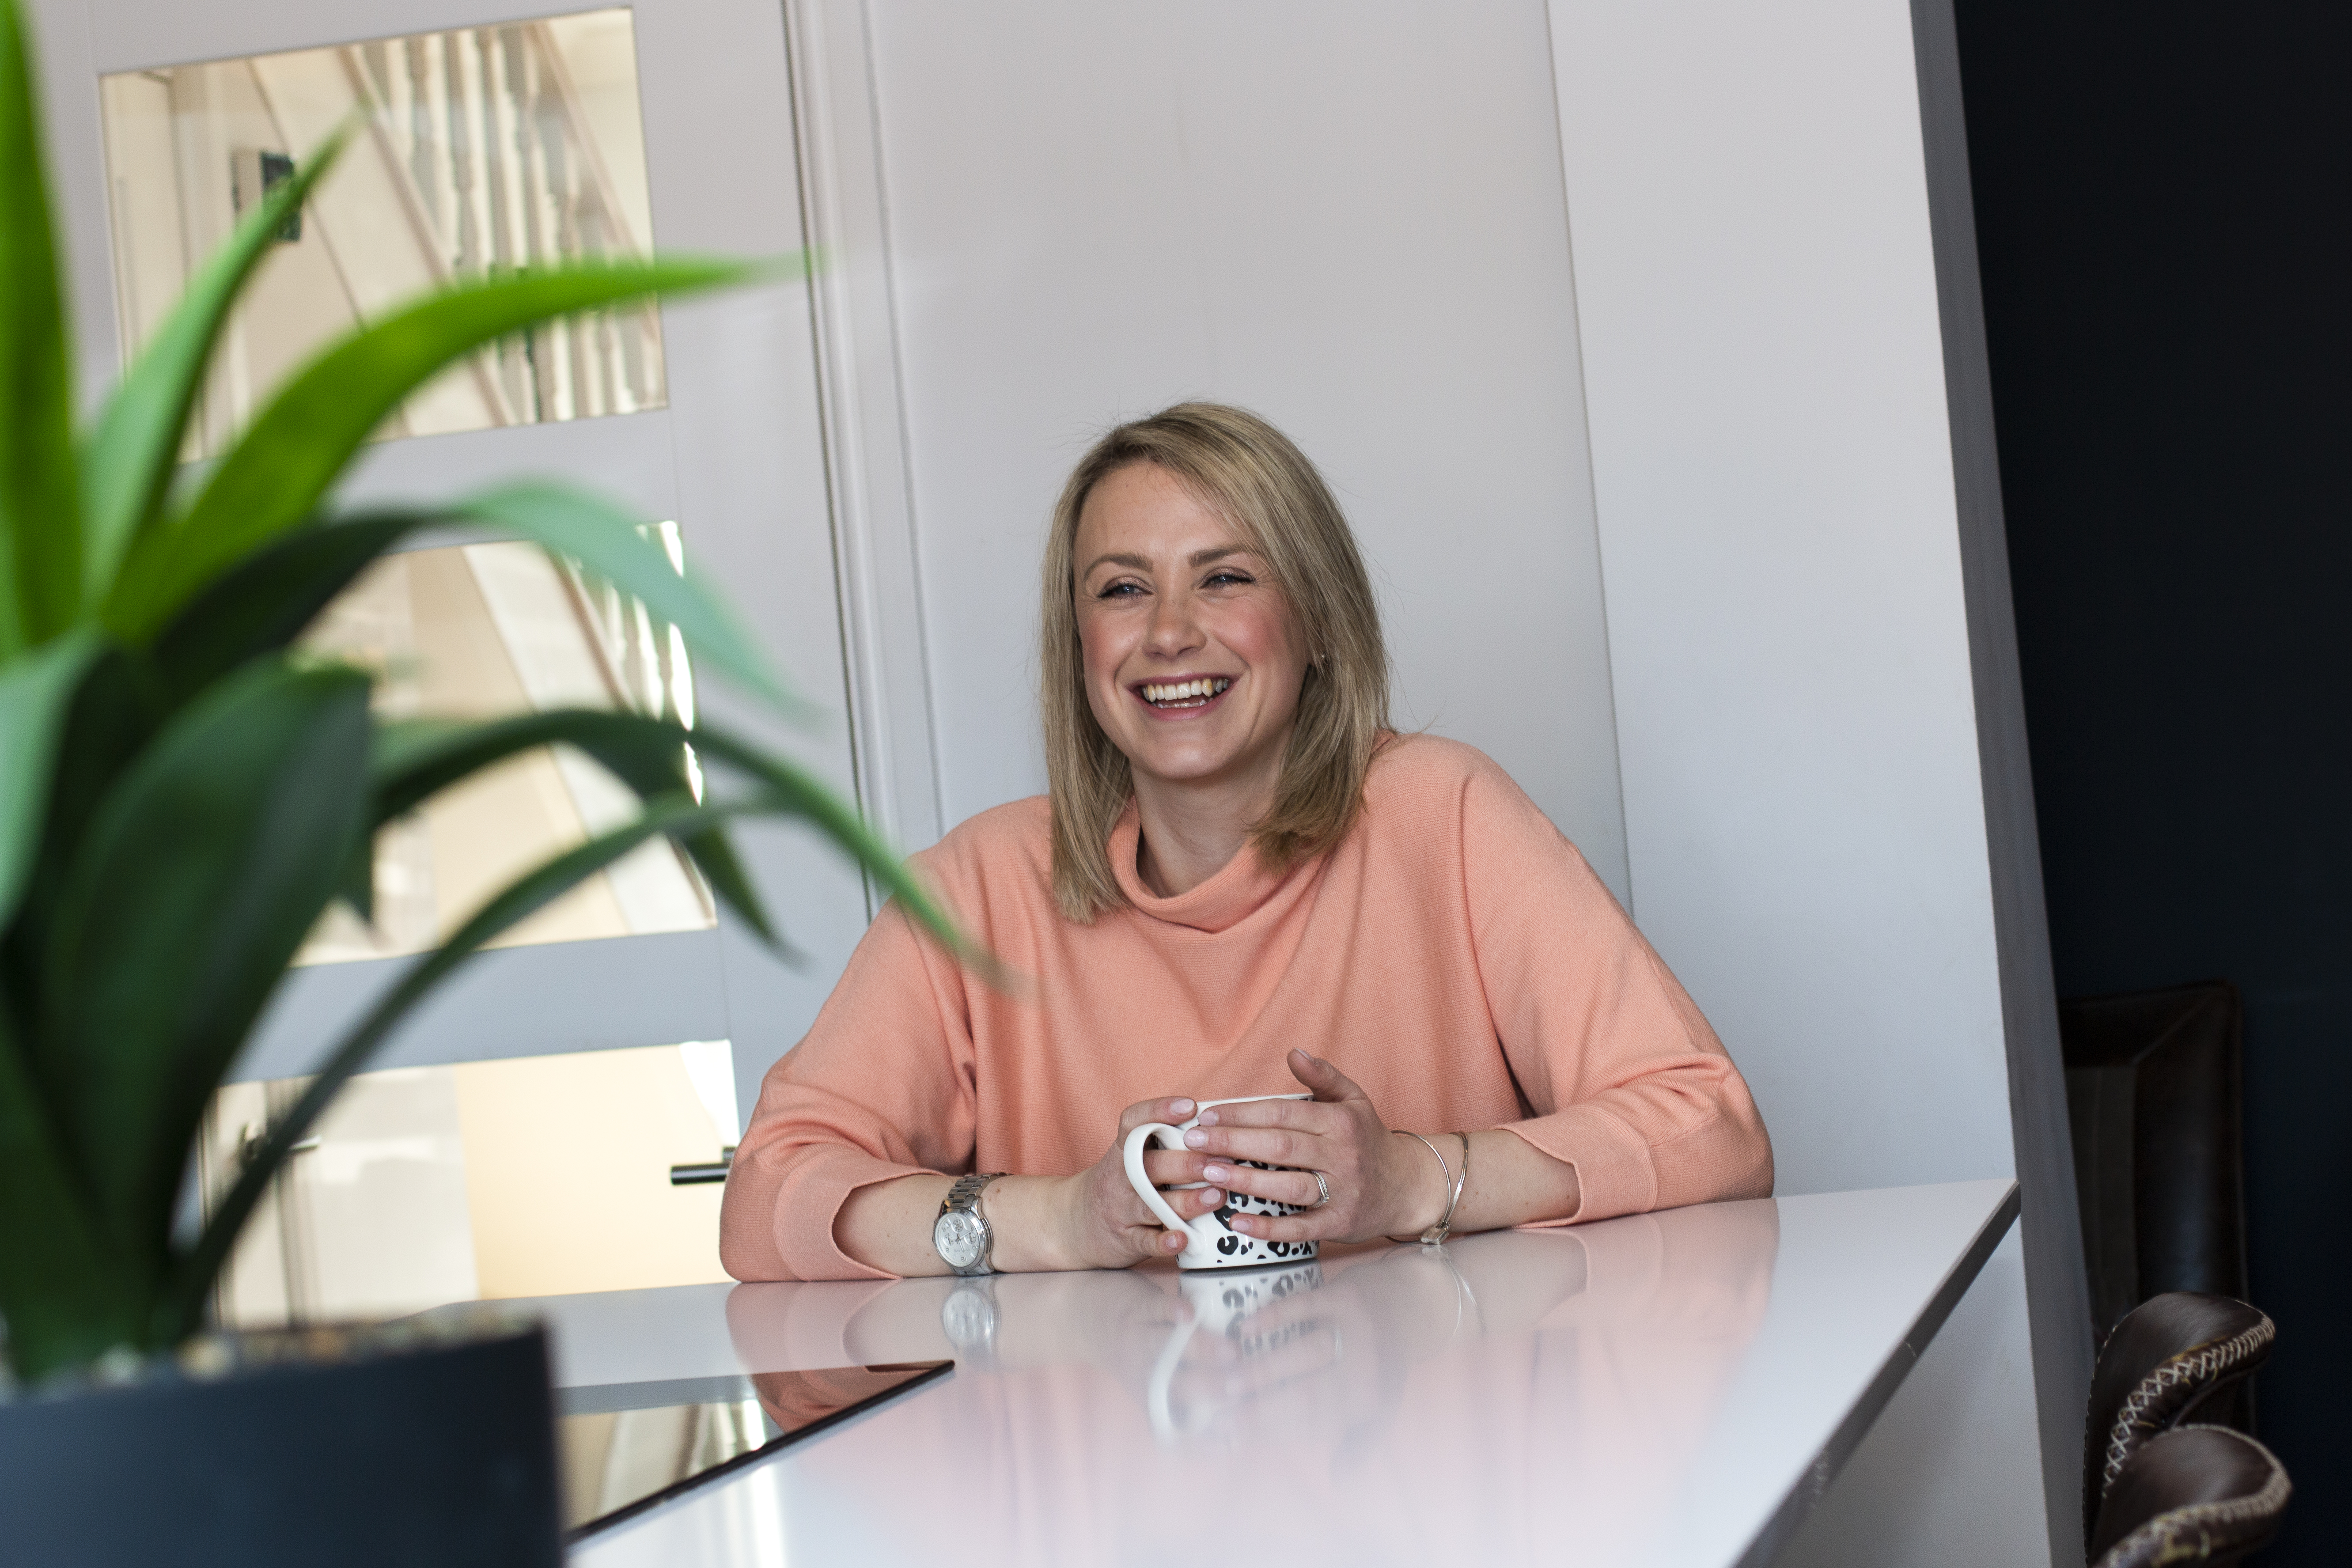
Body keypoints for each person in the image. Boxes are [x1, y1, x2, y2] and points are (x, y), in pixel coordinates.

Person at [720, 403, 1771, 1281]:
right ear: (1078, 646)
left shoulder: (1444, 814)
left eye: (1223, 577)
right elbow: (765, 1197)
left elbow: (1710, 1126)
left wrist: (1412, 1179)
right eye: (1122, 588)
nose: (1169, 631)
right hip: (1110, 1462)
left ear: (1315, 621)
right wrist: (1057, 1219)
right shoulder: (978, 887)